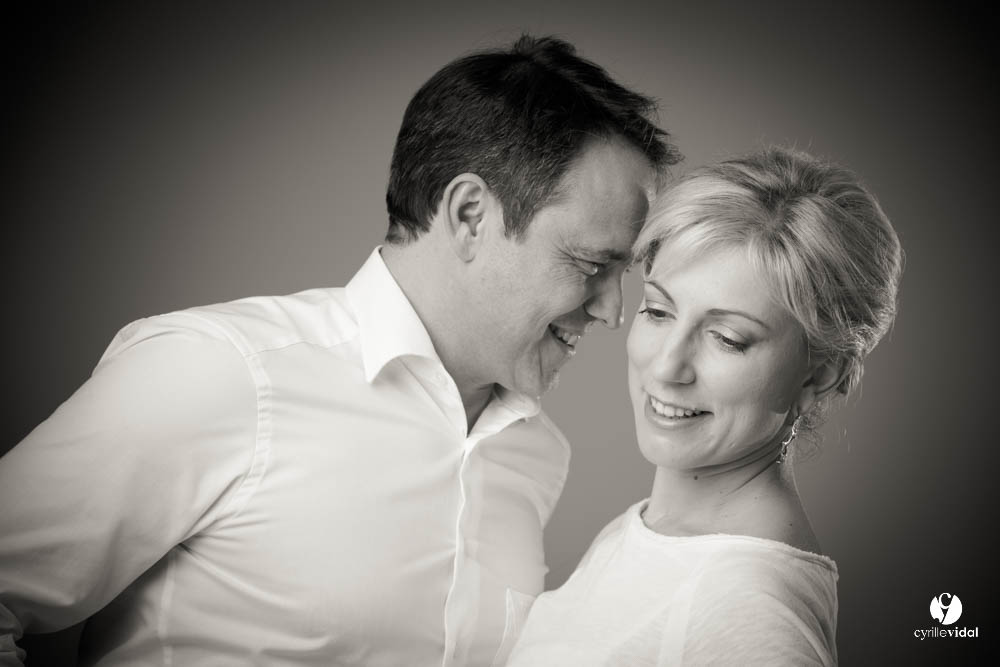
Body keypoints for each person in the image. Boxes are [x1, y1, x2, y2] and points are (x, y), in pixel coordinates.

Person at [0, 36, 680, 666]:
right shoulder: (218, 371)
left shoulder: (536, 454)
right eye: (592, 263)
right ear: (470, 215)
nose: (612, 311)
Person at [505, 146, 902, 666]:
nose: (667, 366)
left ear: (819, 374)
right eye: (658, 311)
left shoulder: (750, 610)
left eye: (728, 339)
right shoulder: (651, 532)